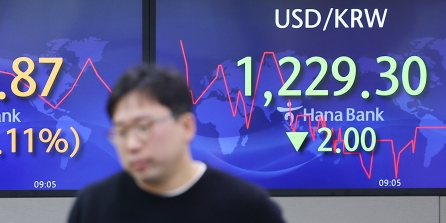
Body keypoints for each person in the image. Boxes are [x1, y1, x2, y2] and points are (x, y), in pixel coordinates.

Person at [67, 64, 286, 223]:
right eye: (121, 131)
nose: (132, 145)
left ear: (186, 126)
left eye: (143, 127)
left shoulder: (247, 208)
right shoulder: (92, 207)